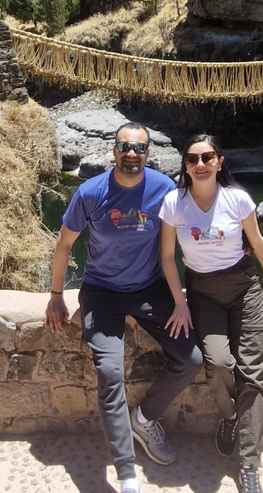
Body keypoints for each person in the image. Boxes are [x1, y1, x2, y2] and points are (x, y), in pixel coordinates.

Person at [45, 122, 204, 493]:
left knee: (192, 359)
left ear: (149, 153)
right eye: (124, 147)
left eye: (139, 148)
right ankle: (126, 471)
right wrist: (56, 294)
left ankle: (144, 419)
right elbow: (64, 244)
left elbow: (194, 226)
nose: (132, 154)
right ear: (113, 150)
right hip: (101, 293)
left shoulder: (164, 189)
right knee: (110, 374)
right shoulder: (90, 192)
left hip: (151, 288)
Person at [159, 134, 263, 493]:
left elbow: (259, 242)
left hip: (243, 288)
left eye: (207, 157)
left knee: (253, 373)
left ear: (220, 161)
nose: (200, 164)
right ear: (185, 165)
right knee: (218, 362)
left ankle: (249, 464)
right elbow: (167, 258)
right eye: (192, 159)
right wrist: (179, 301)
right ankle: (230, 416)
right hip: (202, 292)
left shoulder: (237, 199)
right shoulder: (174, 203)